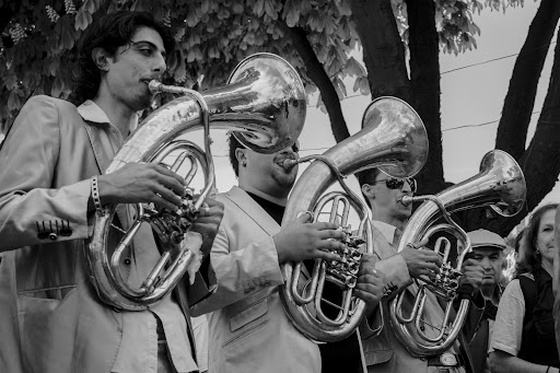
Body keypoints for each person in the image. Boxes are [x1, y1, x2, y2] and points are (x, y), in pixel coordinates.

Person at [0, 11, 224, 373]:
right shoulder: (52, 116)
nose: (160, 66)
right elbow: (4, 218)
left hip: (174, 354)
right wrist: (100, 191)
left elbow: (170, 284)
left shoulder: (158, 156)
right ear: (103, 59)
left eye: (163, 57)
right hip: (85, 352)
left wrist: (195, 241)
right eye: (146, 51)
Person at [190, 135, 385, 373]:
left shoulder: (316, 221)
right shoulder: (217, 210)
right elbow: (197, 294)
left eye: (294, 145)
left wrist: (366, 299)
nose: (290, 150)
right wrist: (277, 250)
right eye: (274, 141)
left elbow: (335, 315)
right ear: (243, 156)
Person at [357, 168, 486, 373]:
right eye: (395, 182)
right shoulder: (358, 245)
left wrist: (467, 291)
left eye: (410, 183)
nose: (407, 188)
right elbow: (356, 307)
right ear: (369, 190)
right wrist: (402, 266)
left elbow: (457, 331)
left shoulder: (426, 250)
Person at [489, 203, 560, 373]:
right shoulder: (520, 288)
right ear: (535, 243)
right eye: (548, 229)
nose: (556, 236)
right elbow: (497, 363)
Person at [463, 229, 507, 373]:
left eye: (494, 258)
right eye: (478, 258)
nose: (487, 266)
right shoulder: (450, 303)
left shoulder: (514, 297)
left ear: (503, 261)